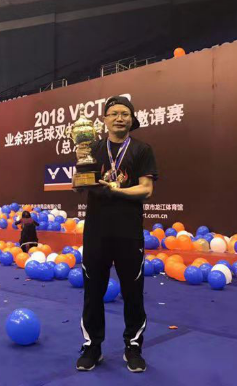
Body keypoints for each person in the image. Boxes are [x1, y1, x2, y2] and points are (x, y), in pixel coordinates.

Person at [74, 96, 158, 373]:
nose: (119, 118)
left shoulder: (142, 150)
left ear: (132, 119)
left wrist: (116, 190)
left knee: (133, 292)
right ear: (105, 120)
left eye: (125, 113)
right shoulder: (92, 148)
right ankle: (92, 347)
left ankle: (133, 347)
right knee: (93, 292)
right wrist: (80, 171)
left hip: (128, 231)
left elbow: (146, 189)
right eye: (113, 113)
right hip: (96, 231)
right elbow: (80, 186)